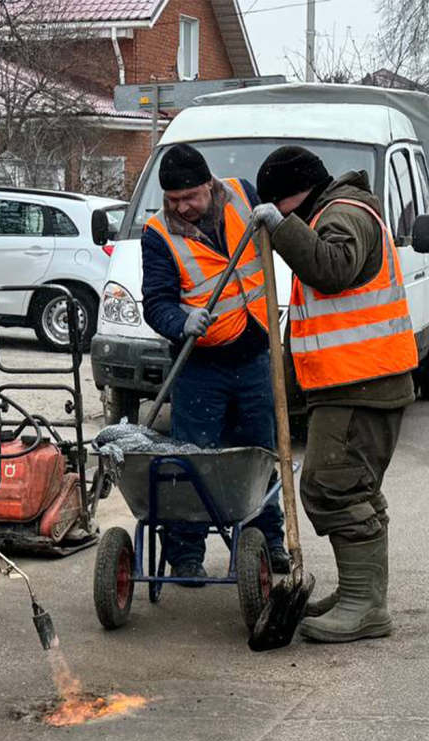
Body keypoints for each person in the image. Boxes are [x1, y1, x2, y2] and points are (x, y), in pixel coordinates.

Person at [252, 146, 417, 643]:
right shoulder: (336, 210)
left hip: (360, 382)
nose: (281, 217)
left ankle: (364, 606)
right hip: (355, 380)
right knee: (353, 488)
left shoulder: (343, 214)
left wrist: (282, 231)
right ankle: (359, 594)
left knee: (331, 486)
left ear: (292, 196)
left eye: (280, 208)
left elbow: (331, 268)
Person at [141, 143, 289, 583]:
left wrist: (278, 222)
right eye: (173, 200)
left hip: (256, 356)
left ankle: (269, 543)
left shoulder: (245, 197)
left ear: (209, 184)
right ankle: (186, 554)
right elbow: (157, 303)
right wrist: (181, 320)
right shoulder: (158, 235)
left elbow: (283, 238)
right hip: (200, 366)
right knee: (193, 460)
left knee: (259, 453)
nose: (182, 207)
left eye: (190, 197)